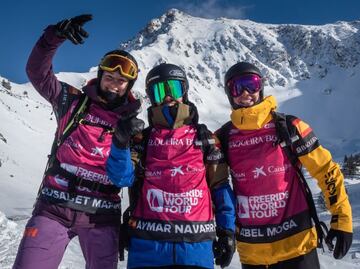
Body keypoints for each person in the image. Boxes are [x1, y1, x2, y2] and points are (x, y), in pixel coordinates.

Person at [13, 14, 144, 269]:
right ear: (101, 75)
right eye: (110, 76)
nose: (114, 84)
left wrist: (120, 142)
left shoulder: (133, 128)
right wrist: (54, 37)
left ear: (129, 86)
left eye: (121, 81)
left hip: (101, 216)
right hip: (54, 207)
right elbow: (36, 72)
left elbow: (124, 179)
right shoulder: (72, 102)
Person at [216, 62, 353, 269]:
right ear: (229, 93)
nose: (246, 93)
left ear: (261, 88)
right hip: (253, 252)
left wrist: (341, 219)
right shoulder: (224, 137)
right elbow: (213, 185)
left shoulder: (289, 127)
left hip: (297, 246)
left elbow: (326, 170)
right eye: (237, 86)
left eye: (251, 84)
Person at [107, 63, 236, 268]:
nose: (168, 97)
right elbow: (121, 178)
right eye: (160, 91)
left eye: (173, 89)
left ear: (184, 92)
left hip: (196, 247)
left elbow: (220, 187)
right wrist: (121, 142)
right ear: (152, 97)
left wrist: (227, 232)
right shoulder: (143, 139)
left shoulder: (206, 140)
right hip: (147, 247)